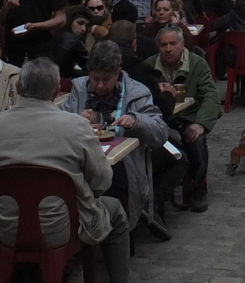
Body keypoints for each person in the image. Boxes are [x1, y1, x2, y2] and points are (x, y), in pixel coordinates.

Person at [0, 57, 142, 283]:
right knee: (115, 209)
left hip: (7, 225)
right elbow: (102, 180)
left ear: (19, 88)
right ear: (55, 92)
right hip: (61, 225)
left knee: (25, 209)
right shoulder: (75, 127)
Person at [59, 41, 172, 239]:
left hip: (122, 164)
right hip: (81, 162)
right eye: (95, 79)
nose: (100, 85)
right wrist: (74, 119)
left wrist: (137, 121)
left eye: (106, 80)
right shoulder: (78, 89)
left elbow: (160, 133)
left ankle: (106, 235)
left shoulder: (137, 93)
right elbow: (58, 123)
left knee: (107, 185)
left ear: (118, 73)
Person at [149, 25, 220, 213]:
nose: (168, 49)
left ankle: (198, 188)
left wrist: (200, 123)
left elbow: (211, 96)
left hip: (187, 118)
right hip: (161, 121)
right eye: (164, 45)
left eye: (173, 44)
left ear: (182, 44)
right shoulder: (149, 66)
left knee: (196, 142)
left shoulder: (197, 63)